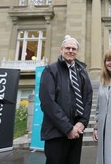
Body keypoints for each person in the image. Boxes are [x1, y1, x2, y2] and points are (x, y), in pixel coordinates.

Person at [39, 35, 93, 164]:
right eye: (67, 48)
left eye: (74, 48)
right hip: (56, 132)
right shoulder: (50, 70)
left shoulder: (82, 71)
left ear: (77, 51)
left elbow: (88, 97)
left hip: (76, 131)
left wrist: (83, 122)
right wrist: (68, 128)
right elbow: (48, 103)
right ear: (61, 50)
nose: (70, 51)